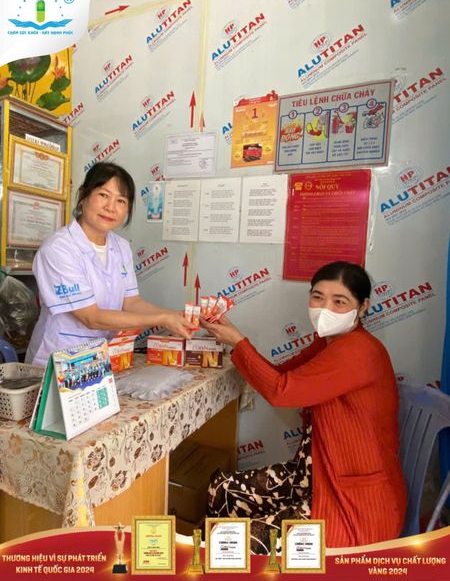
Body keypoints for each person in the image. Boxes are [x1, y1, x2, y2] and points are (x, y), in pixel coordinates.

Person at [202, 261, 407, 553]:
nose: (325, 309)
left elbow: (281, 392)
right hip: (314, 478)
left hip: (354, 505)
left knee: (229, 545)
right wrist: (233, 337)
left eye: (339, 302)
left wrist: (238, 342)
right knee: (221, 490)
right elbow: (280, 376)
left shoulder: (358, 351)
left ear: (363, 307)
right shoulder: (328, 343)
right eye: (318, 297)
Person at [26, 162, 195, 366]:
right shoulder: (58, 249)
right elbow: (91, 317)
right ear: (83, 196)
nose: (111, 207)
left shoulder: (121, 246)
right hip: (58, 360)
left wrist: (177, 316)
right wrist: (161, 319)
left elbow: (131, 303)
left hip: (101, 359)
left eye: (121, 200)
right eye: (103, 195)